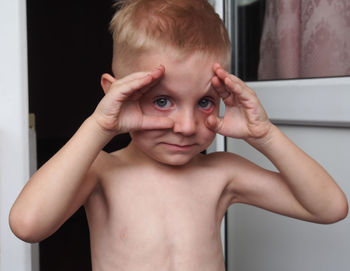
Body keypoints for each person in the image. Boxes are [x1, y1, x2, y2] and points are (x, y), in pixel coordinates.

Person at [9, 0, 348, 270]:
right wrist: (99, 126)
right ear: (117, 95)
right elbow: (27, 224)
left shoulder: (221, 173)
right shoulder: (102, 171)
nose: (186, 127)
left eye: (204, 102)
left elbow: (329, 208)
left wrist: (265, 135)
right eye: (162, 100)